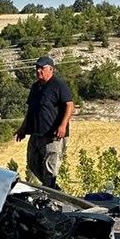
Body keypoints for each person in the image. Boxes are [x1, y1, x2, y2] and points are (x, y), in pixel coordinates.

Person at [15, 55, 74, 190]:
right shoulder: (35, 87)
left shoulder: (59, 85)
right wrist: (22, 128)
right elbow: (31, 109)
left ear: (51, 69)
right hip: (36, 133)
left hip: (53, 135)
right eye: (37, 68)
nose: (38, 71)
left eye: (42, 68)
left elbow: (69, 105)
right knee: (32, 161)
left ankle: (50, 192)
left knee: (50, 166)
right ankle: (52, 188)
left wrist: (62, 126)